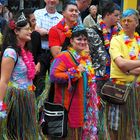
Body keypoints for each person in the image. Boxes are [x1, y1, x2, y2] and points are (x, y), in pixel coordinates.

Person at [49, 25, 98, 139]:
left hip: (83, 105)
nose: (83, 42)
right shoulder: (64, 56)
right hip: (68, 107)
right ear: (71, 41)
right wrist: (74, 72)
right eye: (79, 39)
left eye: (85, 39)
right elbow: (53, 76)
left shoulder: (85, 58)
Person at [85, 2, 121, 140]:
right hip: (98, 78)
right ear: (107, 15)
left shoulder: (118, 32)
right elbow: (87, 55)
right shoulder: (92, 31)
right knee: (96, 110)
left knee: (111, 111)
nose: (118, 19)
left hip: (114, 77)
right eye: (116, 15)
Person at [0, 12, 38, 139]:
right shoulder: (10, 52)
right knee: (16, 134)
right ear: (16, 31)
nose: (30, 31)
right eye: (27, 29)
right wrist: (1, 106)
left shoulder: (26, 51)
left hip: (28, 98)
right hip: (16, 99)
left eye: (30, 28)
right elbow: (3, 80)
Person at [109, 9, 140, 140]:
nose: (126, 23)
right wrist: (127, 67)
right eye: (124, 21)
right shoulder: (116, 40)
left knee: (134, 125)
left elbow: (125, 66)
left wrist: (128, 69)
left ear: (136, 23)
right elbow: (121, 64)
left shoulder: (139, 41)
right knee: (116, 126)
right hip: (119, 90)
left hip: (137, 90)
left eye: (129, 20)